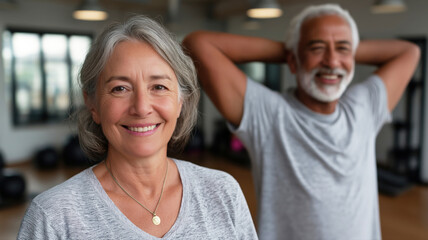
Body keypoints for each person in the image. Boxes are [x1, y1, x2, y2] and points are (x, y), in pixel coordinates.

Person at [182, 4, 420, 240]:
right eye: (317, 48)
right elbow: (197, 45)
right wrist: (294, 52)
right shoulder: (268, 114)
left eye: (342, 49)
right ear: (293, 61)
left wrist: (329, 52)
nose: (332, 62)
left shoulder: (364, 108)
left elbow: (409, 52)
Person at [18, 15, 257, 239]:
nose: (141, 108)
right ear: (92, 103)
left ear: (180, 101)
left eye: (159, 87)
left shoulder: (223, 192)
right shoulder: (53, 217)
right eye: (120, 88)